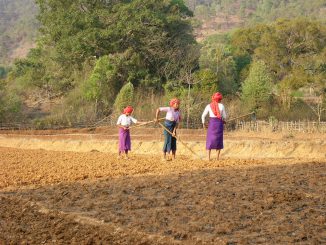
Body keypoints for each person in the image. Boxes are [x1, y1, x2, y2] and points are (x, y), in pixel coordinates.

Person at [201, 92, 227, 161]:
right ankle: (217, 158)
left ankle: (208, 158)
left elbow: (203, 115)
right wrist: (224, 120)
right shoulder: (222, 106)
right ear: (220, 99)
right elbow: (224, 116)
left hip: (212, 124)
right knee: (218, 141)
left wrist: (203, 123)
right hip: (219, 124)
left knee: (210, 140)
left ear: (213, 98)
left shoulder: (209, 106)